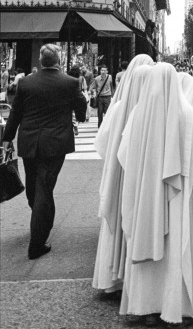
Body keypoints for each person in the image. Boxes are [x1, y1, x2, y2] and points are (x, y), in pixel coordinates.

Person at [117, 63, 193, 323]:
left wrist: (143, 177)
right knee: (175, 248)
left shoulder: (138, 113)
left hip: (144, 193)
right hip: (177, 194)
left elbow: (123, 155)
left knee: (145, 238)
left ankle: (144, 306)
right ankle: (172, 305)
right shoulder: (187, 114)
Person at [2, 44, 86, 259]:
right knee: (44, 188)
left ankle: (39, 217)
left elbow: (16, 113)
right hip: (55, 143)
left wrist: (7, 138)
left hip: (29, 141)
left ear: (41, 61)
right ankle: (36, 242)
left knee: (35, 185)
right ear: (59, 59)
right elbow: (82, 111)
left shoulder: (26, 82)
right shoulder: (70, 82)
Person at [93, 63, 154, 295]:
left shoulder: (119, 107)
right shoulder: (153, 108)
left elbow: (102, 143)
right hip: (143, 177)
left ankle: (113, 276)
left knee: (118, 222)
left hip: (119, 173)